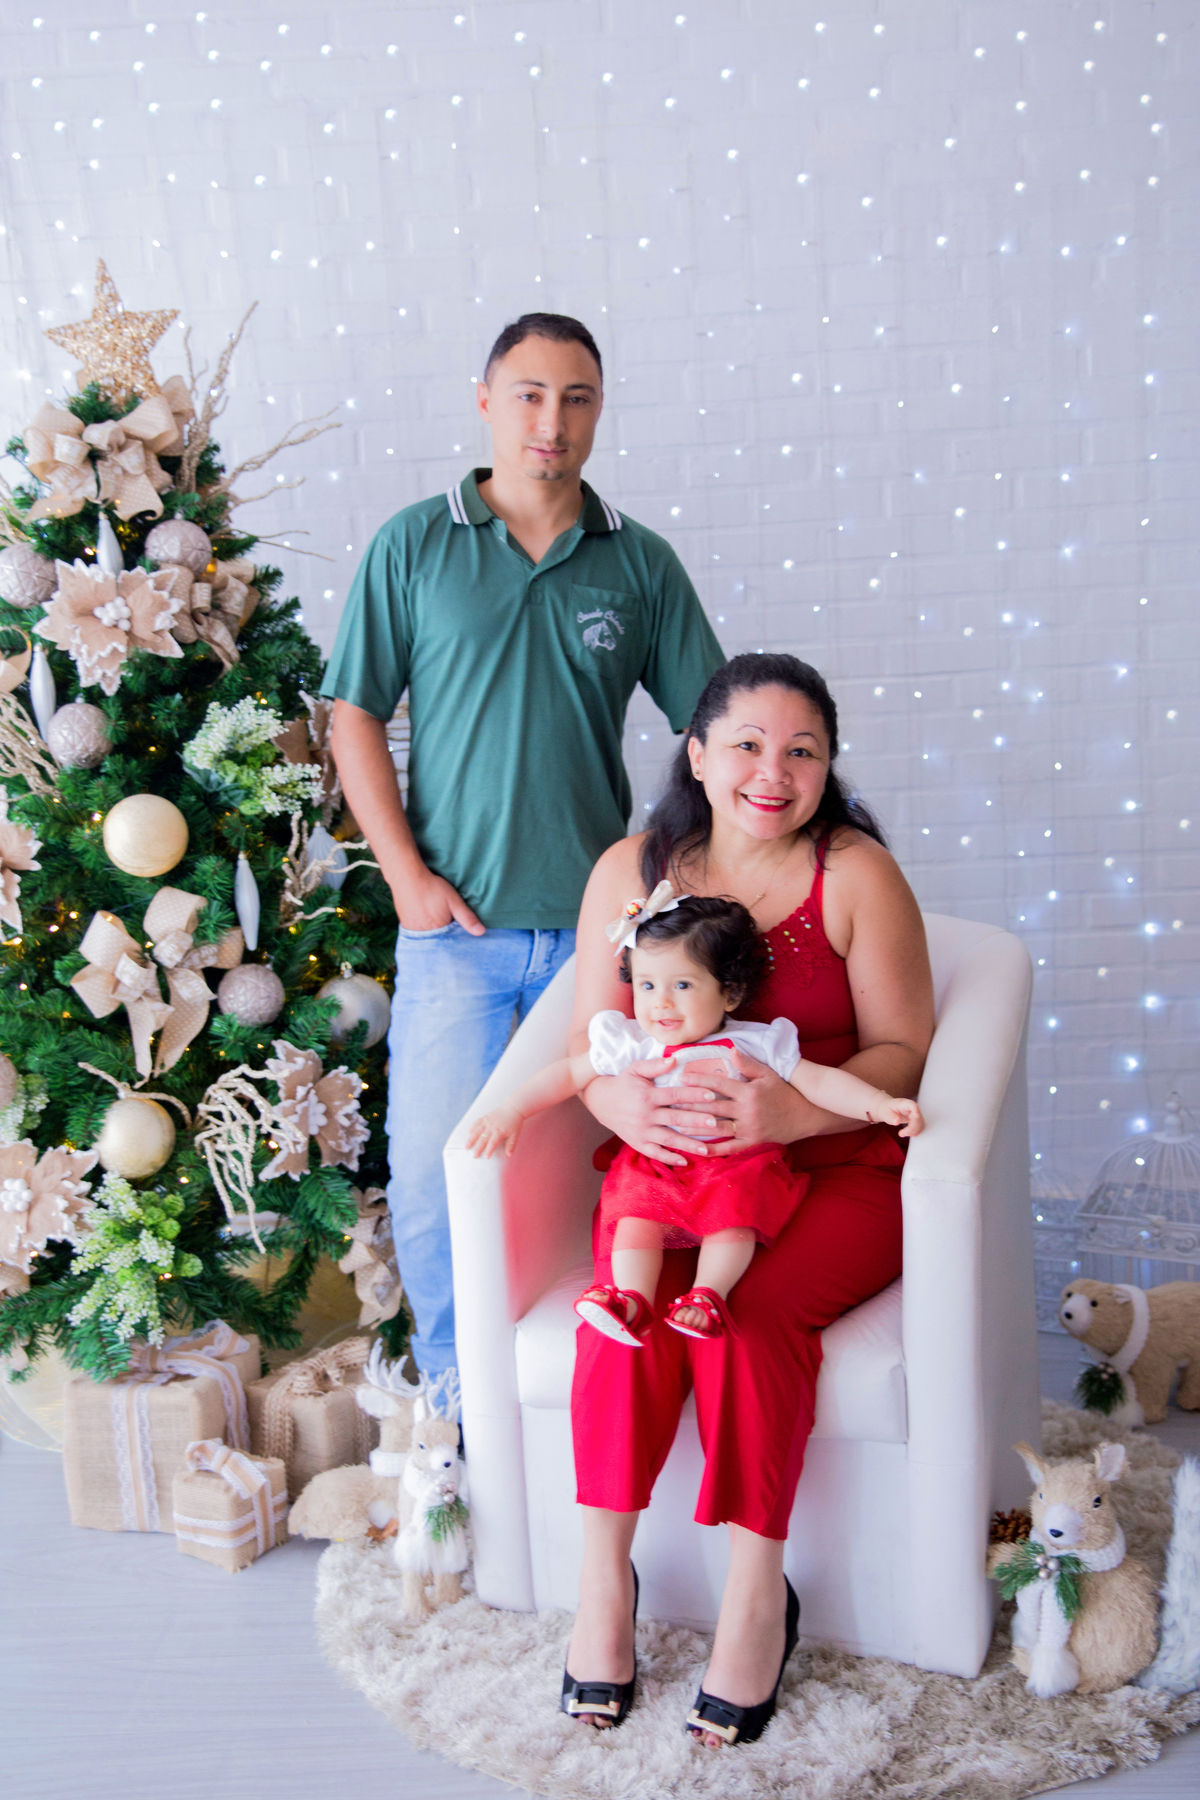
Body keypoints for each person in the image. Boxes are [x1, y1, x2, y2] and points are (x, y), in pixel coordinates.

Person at [322, 313, 724, 1381]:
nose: (553, 420)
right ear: (487, 400)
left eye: (578, 397)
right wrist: (406, 877)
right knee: (432, 1176)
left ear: (598, 410)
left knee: (608, 1179)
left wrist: (678, 884)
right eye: (532, 394)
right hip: (457, 936)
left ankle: (588, 1393)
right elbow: (351, 712)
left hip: (605, 950)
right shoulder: (414, 544)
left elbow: (715, 737)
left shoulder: (636, 563)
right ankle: (457, 1407)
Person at [557, 651, 935, 1745]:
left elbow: (905, 1052)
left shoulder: (854, 873)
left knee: (747, 1321)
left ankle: (757, 1597)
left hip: (827, 1173)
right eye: (750, 746)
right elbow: (593, 1036)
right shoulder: (633, 870)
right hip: (669, 1171)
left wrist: (796, 1117)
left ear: (827, 767)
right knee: (621, 1323)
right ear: (698, 754)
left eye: (803, 751)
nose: (775, 772)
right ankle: (602, 1586)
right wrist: (623, 1111)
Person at [467, 890, 922, 1344]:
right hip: (659, 1161)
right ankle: (628, 1298)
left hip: (733, 1163)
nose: (660, 1004)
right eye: (647, 986)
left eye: (681, 986)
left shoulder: (755, 1044)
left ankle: (708, 1294)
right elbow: (568, 1073)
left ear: (730, 993)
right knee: (634, 1214)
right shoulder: (632, 1042)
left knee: (732, 1215)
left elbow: (819, 1082)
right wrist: (513, 1109)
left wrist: (879, 1105)